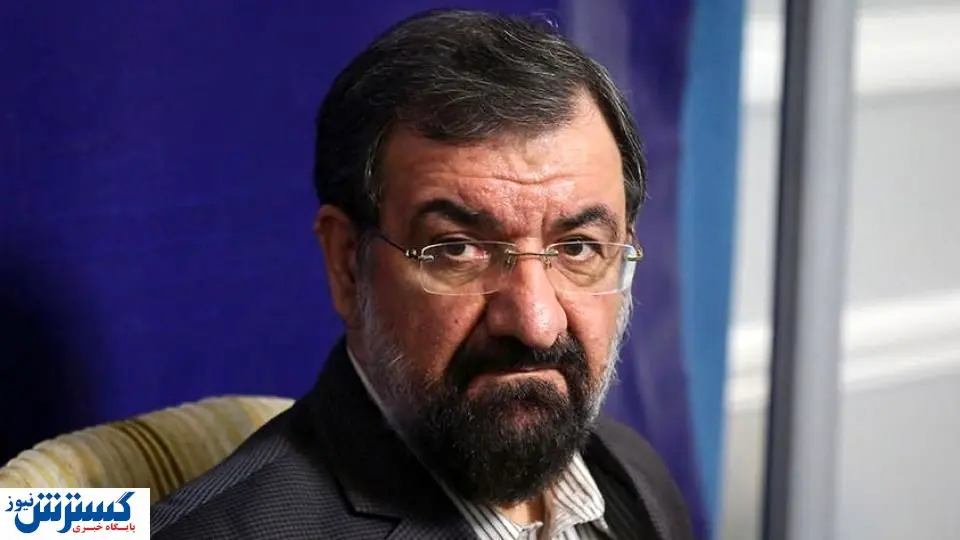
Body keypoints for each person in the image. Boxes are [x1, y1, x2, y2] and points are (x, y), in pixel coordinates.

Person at [151, 8, 693, 540]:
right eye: (458, 249)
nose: (536, 322)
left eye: (578, 247)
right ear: (347, 264)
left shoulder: (631, 472)